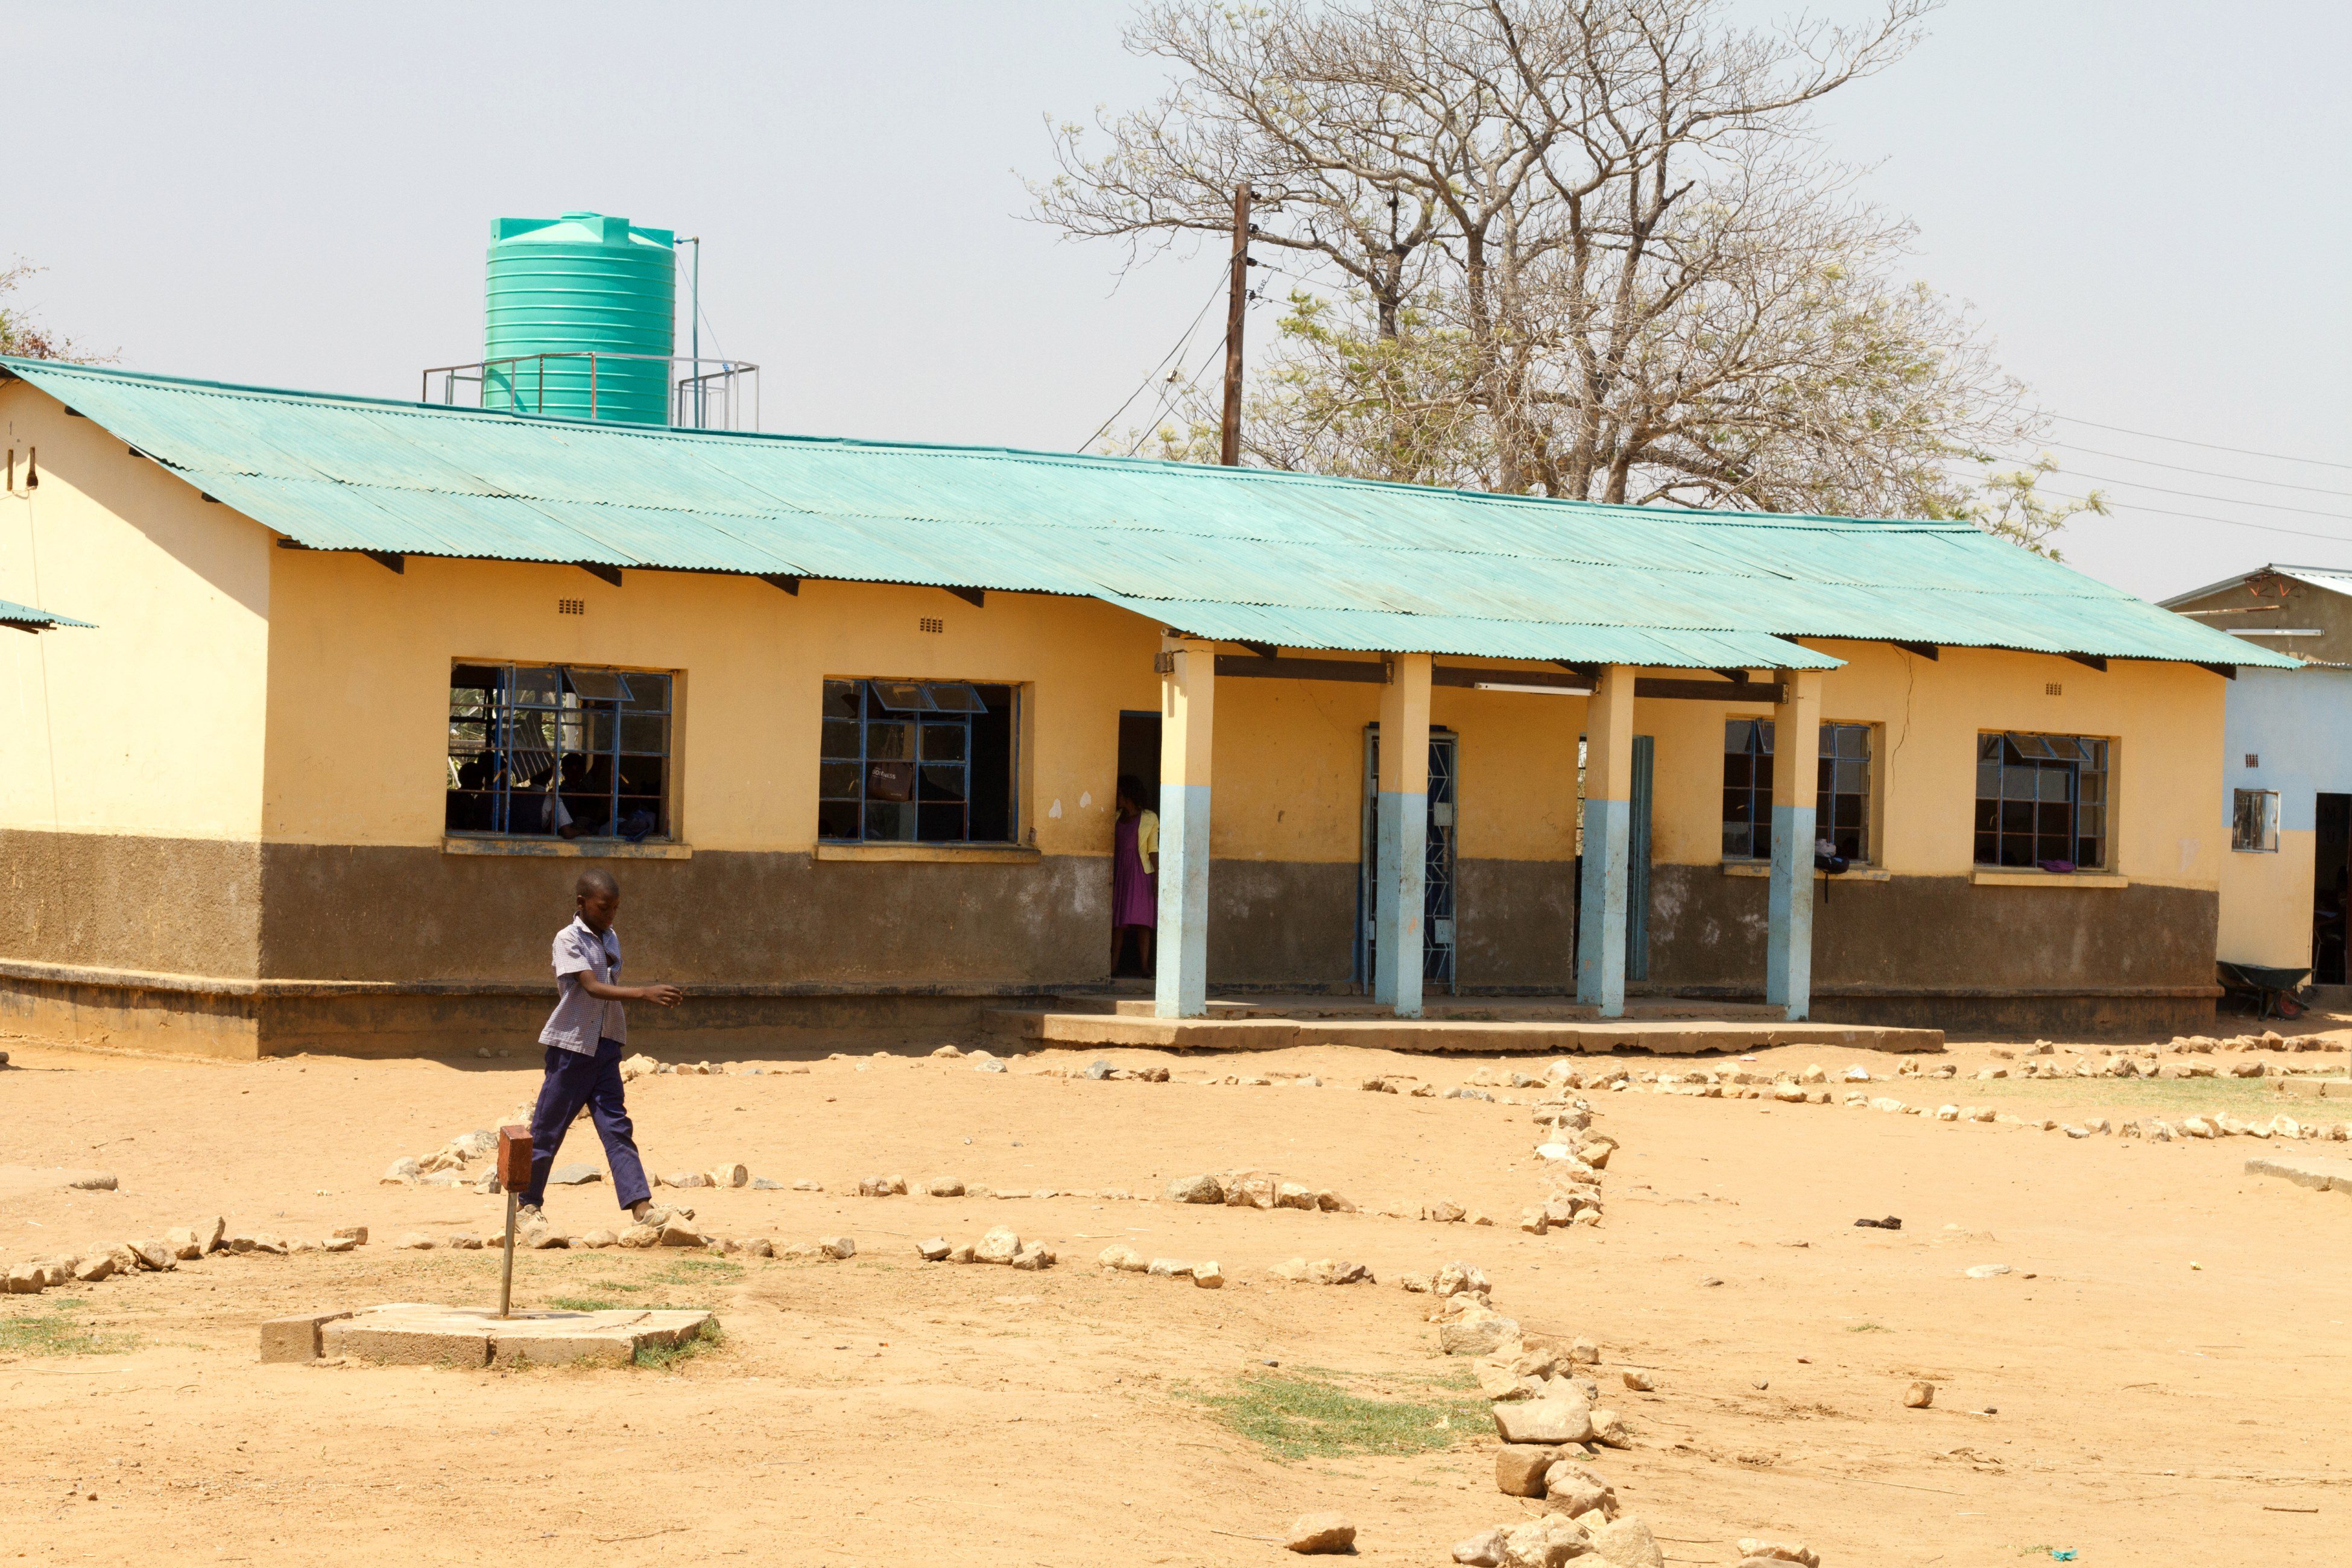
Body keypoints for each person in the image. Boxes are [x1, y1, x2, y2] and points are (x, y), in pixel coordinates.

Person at [515, 868, 683, 1228]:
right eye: (604, 908)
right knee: (548, 1129)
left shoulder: (611, 937)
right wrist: (644, 992)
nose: (610, 915)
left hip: (606, 1044)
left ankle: (642, 1207)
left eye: (616, 908)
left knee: (616, 1127)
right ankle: (526, 1206)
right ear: (581, 903)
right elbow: (591, 987)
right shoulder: (567, 939)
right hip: (572, 1046)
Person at [1110, 773, 1159, 977]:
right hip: (1121, 872)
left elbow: (1153, 850)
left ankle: (1145, 967)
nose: (1117, 797)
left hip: (1140, 873)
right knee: (1119, 923)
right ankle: (1113, 967)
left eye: (1120, 793)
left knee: (1143, 923)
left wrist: (1157, 877)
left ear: (1128, 795)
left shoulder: (1149, 818)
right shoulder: (1115, 818)